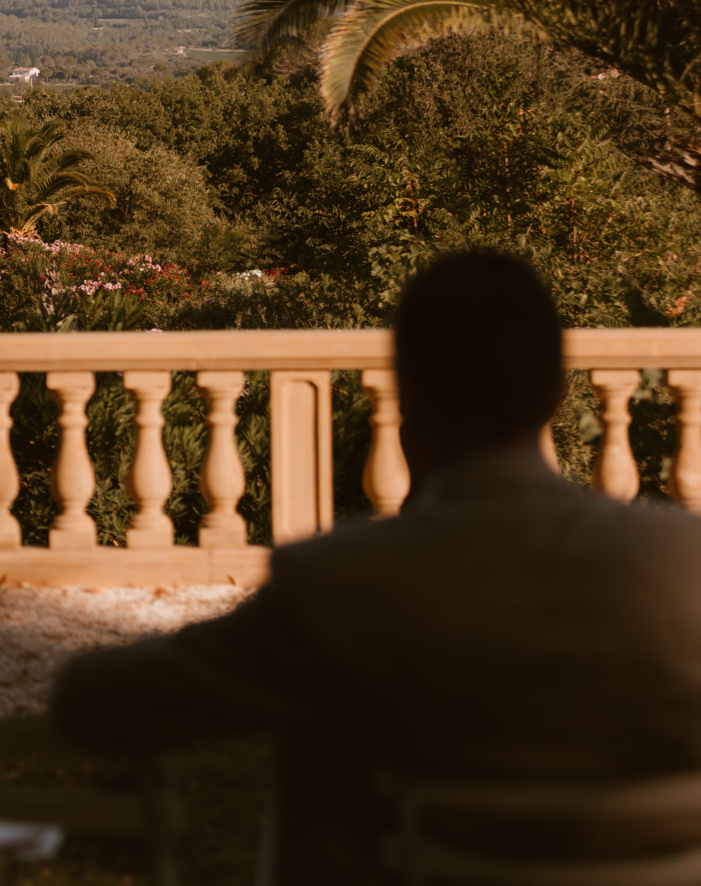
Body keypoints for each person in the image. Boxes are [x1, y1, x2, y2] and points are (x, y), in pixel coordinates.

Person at [50, 250, 701, 883]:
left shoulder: (343, 581)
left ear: (407, 396)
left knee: (324, 729)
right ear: (558, 391)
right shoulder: (684, 560)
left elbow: (95, 700)